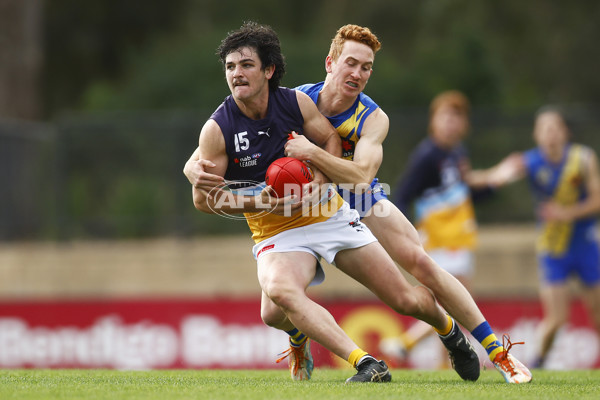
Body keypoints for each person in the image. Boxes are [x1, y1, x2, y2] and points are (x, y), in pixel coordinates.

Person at [183, 21, 473, 384]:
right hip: (276, 230)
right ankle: (366, 362)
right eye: (229, 67)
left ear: (268, 70)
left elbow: (331, 141)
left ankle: (449, 331)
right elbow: (203, 199)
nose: (236, 74)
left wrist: (318, 184)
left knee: (405, 300)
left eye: (246, 65)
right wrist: (258, 200)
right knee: (275, 305)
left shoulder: (295, 102)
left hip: (326, 214)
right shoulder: (218, 128)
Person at [282, 25, 531, 383]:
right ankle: (297, 338)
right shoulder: (294, 101)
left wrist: (310, 153)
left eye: (366, 67)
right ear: (329, 63)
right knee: (272, 309)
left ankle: (497, 353)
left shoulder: (373, 117)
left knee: (421, 265)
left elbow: (361, 177)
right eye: (350, 63)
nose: (358, 73)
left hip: (359, 197)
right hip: (307, 208)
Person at [469, 106, 600, 368]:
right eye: (544, 129)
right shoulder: (528, 161)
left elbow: (597, 200)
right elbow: (494, 176)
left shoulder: (583, 159)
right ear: (536, 135)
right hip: (553, 249)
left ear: (565, 132)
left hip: (585, 245)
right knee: (557, 319)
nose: (550, 134)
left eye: (555, 128)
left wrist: (566, 213)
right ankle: (539, 361)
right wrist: (464, 178)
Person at [379, 90, 488, 369]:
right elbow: (403, 195)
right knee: (459, 304)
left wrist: (492, 184)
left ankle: (443, 362)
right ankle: (407, 343)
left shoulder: (458, 153)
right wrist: (409, 233)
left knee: (456, 306)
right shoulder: (427, 154)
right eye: (446, 116)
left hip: (458, 238)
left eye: (457, 117)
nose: (451, 123)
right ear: (434, 121)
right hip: (439, 241)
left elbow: (466, 194)